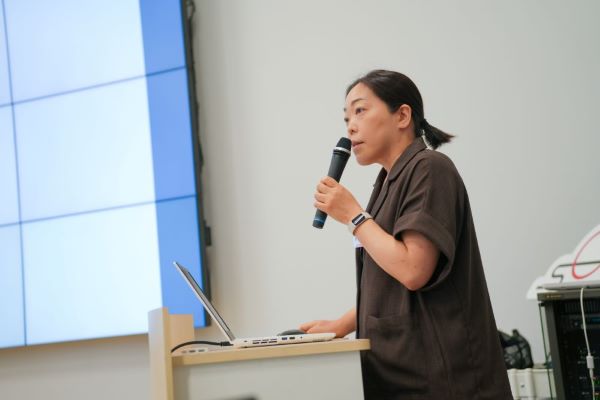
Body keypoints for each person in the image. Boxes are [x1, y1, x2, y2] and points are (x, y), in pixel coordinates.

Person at [300, 70, 512, 399]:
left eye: (360, 111)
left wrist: (354, 216)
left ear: (402, 116)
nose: (350, 127)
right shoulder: (386, 182)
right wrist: (341, 324)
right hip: (399, 374)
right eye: (346, 118)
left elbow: (413, 269)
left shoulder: (430, 168)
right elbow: (390, 284)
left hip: (442, 378)